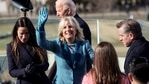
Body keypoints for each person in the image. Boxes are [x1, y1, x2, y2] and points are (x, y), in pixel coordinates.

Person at [36, 7, 94, 84]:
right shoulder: (57, 44)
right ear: (61, 31)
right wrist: (40, 28)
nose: (67, 29)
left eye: (70, 27)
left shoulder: (84, 45)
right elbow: (42, 43)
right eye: (64, 27)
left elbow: (95, 60)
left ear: (76, 30)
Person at [6, 17, 50, 84]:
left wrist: (36, 68)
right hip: (24, 81)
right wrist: (25, 71)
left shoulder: (38, 43)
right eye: (21, 33)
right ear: (16, 32)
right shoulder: (11, 47)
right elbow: (12, 71)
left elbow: (46, 65)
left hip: (41, 81)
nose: (24, 36)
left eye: (27, 33)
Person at [55, 0, 92, 72]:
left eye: (59, 11)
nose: (57, 14)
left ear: (68, 11)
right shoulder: (71, 25)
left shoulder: (79, 26)